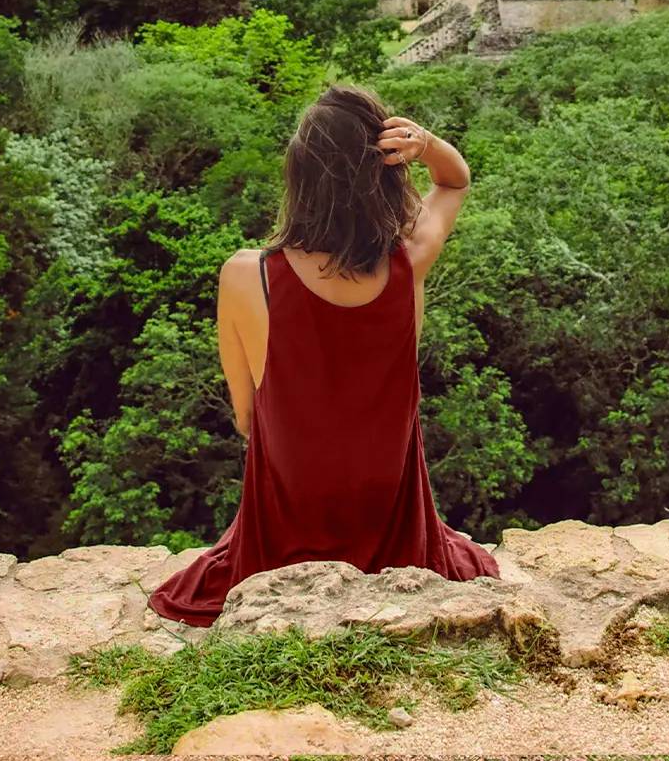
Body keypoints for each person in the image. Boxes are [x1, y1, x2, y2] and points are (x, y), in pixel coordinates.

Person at [147, 84, 499, 626]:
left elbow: (247, 419)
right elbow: (456, 180)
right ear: (383, 175)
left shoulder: (248, 275)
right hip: (386, 510)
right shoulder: (408, 263)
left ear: (299, 180)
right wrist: (424, 143)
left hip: (294, 512)